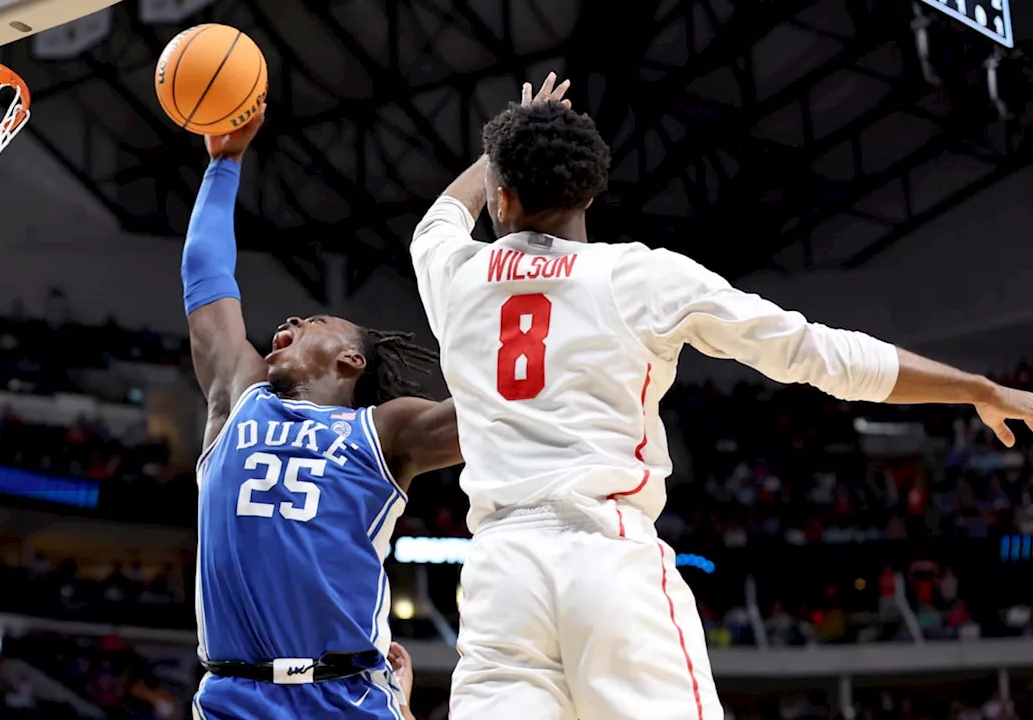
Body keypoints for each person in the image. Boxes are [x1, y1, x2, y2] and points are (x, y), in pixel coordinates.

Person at [409, 73, 1033, 720]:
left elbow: (442, 219)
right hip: (605, 557)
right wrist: (976, 387)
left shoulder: (454, 274)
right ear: (591, 189)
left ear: (501, 198)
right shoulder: (642, 275)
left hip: (499, 579)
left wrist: (501, 149)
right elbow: (822, 355)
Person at [183, 106, 461, 720]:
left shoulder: (385, 430)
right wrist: (223, 166)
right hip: (234, 694)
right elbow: (206, 278)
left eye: (312, 321)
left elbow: (497, 410)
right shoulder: (240, 396)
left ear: (351, 359)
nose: (288, 323)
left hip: (350, 695)